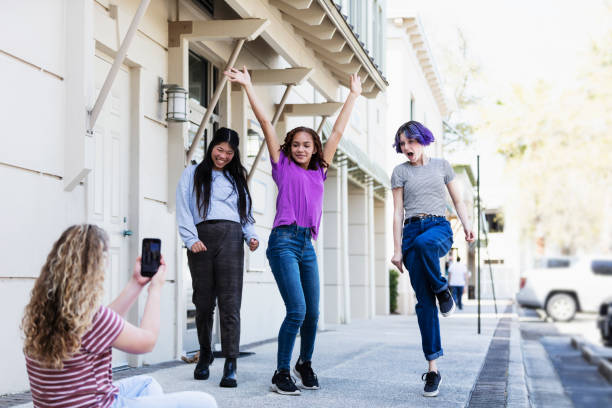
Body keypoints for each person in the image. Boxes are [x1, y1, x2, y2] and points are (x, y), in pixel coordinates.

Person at [225, 66, 361, 395]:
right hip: (283, 242)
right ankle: (280, 372)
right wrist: (248, 86)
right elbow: (267, 124)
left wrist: (353, 96)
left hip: (307, 245)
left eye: (307, 145)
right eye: (296, 144)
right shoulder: (281, 165)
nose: (301, 149)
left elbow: (337, 134)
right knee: (297, 309)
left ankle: (305, 363)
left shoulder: (320, 170)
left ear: (315, 149)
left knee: (313, 312)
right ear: (290, 148)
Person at [22, 224, 217, 408]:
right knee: (204, 402)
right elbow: (147, 342)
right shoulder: (93, 318)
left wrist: (136, 283)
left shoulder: (41, 314)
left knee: (147, 384)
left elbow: (103, 326)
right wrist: (155, 288)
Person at [390, 121, 475, 398]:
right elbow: (397, 212)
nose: (406, 148)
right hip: (411, 231)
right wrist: (397, 249)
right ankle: (433, 369)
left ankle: (442, 288)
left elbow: (458, 201)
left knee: (427, 246)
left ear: (422, 140)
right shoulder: (399, 172)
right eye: (402, 144)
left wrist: (467, 224)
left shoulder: (442, 166)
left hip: (438, 227)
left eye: (411, 142)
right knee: (424, 304)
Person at [176, 127, 259, 388]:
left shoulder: (237, 179)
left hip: (232, 239)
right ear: (212, 146)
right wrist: (191, 239)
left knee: (230, 303)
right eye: (219, 149)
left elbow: (245, 211)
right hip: (202, 239)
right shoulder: (192, 173)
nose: (223, 156)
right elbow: (183, 206)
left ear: (235, 155)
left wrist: (251, 235)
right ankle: (205, 354)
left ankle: (231, 362)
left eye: (229, 152)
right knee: (203, 302)